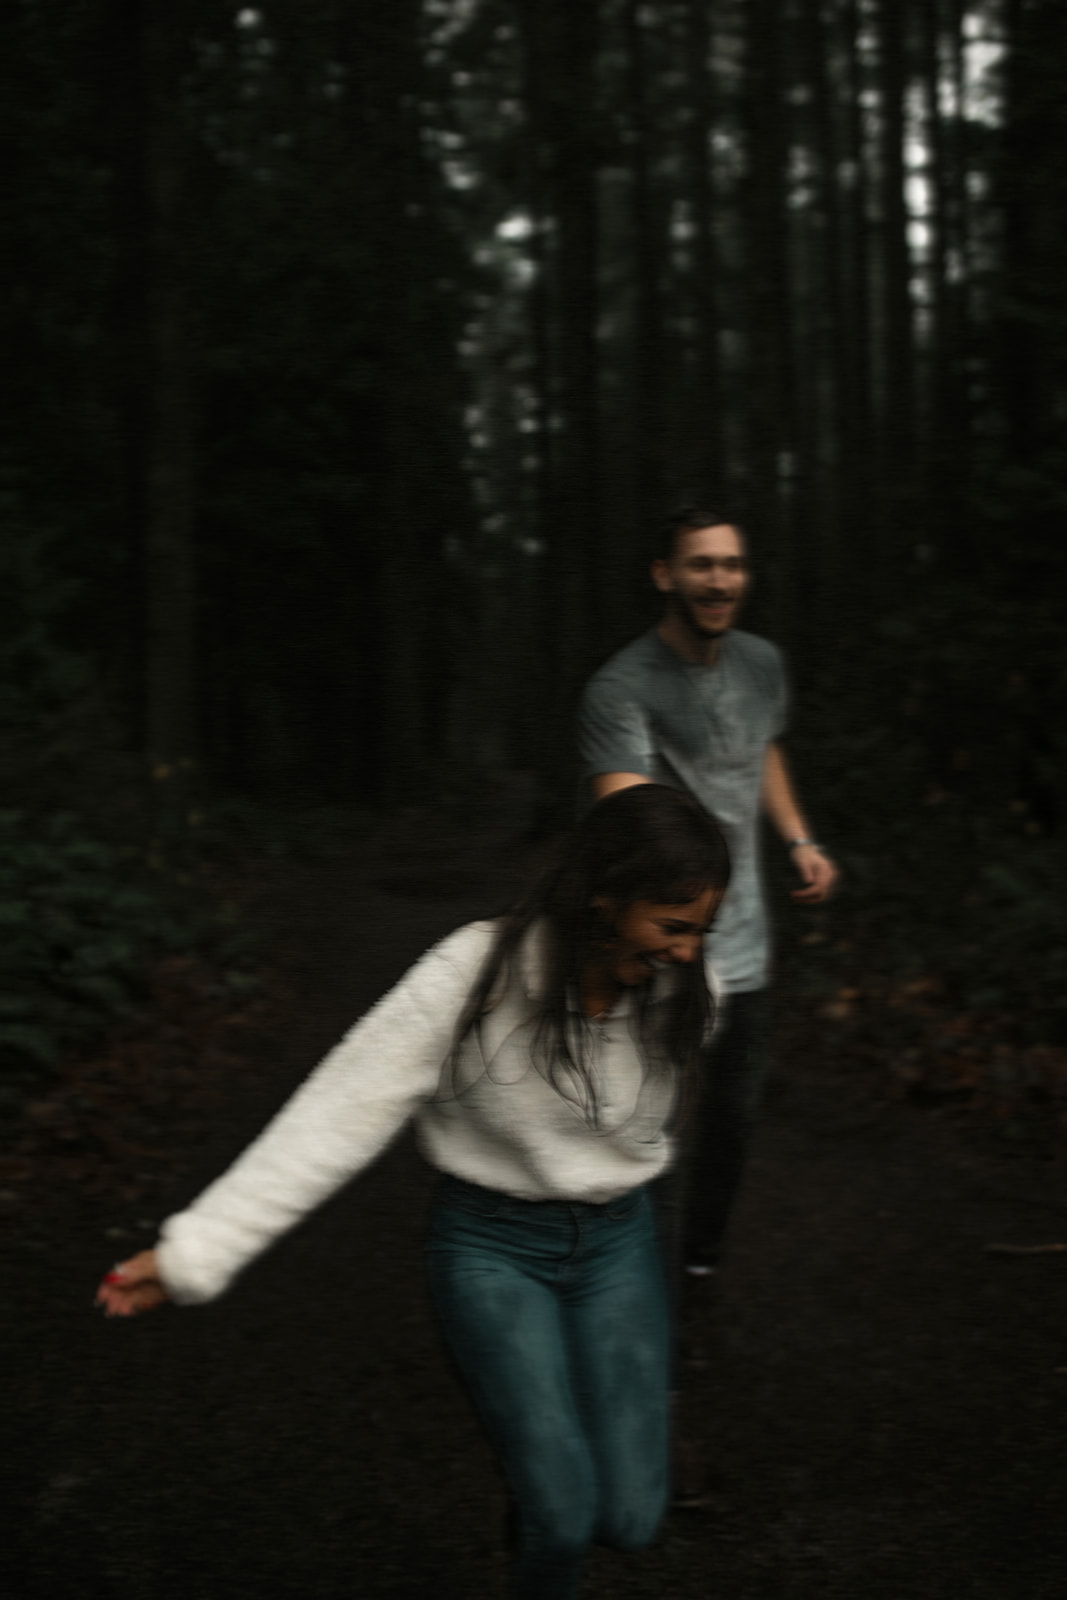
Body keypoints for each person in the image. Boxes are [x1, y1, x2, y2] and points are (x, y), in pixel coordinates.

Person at [96, 784, 731, 1600]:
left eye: (701, 932)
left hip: (616, 1243)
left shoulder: (678, 990)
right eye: (672, 928)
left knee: (634, 1520)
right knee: (565, 1518)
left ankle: (545, 1497)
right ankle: (547, 1509)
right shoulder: (473, 974)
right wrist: (193, 1253)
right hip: (492, 1249)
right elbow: (333, 1113)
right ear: (603, 899)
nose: (688, 952)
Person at [579, 505, 839, 1287]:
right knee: (652, 1126)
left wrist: (797, 838)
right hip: (667, 946)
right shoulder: (619, 687)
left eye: (730, 565)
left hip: (751, 945)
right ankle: (639, 1291)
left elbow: (762, 751)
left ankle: (698, 1267)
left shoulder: (761, 663)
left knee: (733, 1117)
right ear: (666, 575)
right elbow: (629, 814)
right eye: (701, 564)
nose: (718, 579)